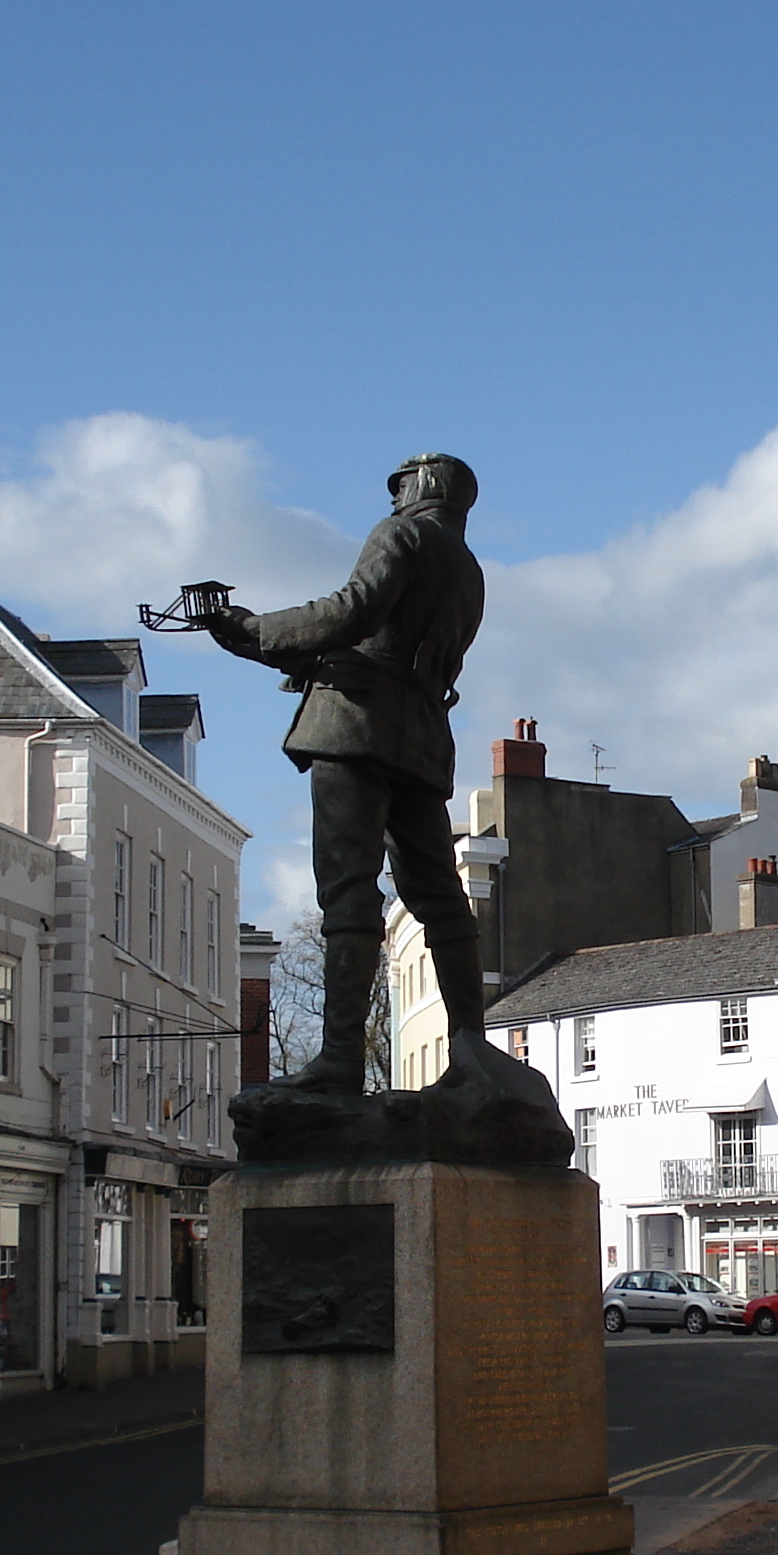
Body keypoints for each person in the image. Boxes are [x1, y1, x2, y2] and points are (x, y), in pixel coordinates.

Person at [200, 455, 488, 1093]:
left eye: (401, 484)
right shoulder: (469, 571)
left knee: (348, 891)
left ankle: (339, 1060)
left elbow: (352, 612)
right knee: (439, 897)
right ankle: (471, 1044)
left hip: (356, 726)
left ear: (429, 486)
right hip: (420, 741)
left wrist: (251, 628)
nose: (393, 497)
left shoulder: (402, 535)